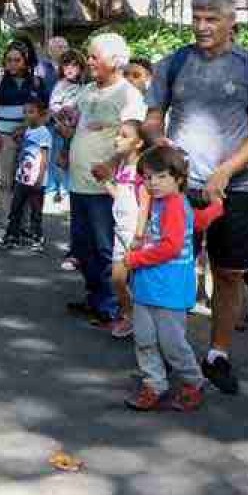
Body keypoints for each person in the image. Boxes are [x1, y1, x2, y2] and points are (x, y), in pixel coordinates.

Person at [145, 0, 248, 394]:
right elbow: (153, 119)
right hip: (178, 190)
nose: (202, 26)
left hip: (233, 189)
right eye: (197, 18)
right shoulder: (173, 63)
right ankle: (173, 352)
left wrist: (227, 170)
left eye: (211, 19)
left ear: (230, 22)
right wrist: (159, 141)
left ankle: (218, 353)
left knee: (228, 273)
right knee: (170, 269)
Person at [120, 143, 223, 412]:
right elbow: (197, 221)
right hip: (149, 286)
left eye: (161, 176)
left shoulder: (174, 204)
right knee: (145, 339)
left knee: (171, 343)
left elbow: (171, 247)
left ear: (178, 179)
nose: (152, 183)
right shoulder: (168, 201)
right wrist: (215, 208)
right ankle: (154, 384)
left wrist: (134, 259)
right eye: (148, 177)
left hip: (168, 288)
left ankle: (192, 382)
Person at [67, 34, 146, 328]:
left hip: (106, 187)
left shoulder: (129, 95)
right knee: (83, 245)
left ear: (114, 62)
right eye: (88, 57)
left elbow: (135, 137)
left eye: (93, 57)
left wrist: (112, 165)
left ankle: (113, 305)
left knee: (104, 246)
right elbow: (81, 123)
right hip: (78, 182)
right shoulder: (87, 90)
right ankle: (95, 297)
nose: (88, 62)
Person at [0, 40, 48, 219]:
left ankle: (24, 224)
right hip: (3, 138)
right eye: (9, 60)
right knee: (4, 181)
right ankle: (6, 223)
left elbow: (46, 112)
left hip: (29, 139)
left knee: (27, 181)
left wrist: (28, 128)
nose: (12, 64)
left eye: (17, 60)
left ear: (25, 61)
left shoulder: (37, 83)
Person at [106, 119, 147, 336]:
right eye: (117, 134)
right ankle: (131, 315)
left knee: (139, 281)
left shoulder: (142, 169)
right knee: (118, 279)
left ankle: (142, 322)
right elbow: (121, 197)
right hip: (119, 229)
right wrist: (106, 183)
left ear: (138, 143)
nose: (117, 139)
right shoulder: (122, 166)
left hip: (134, 233)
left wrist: (139, 235)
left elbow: (144, 205)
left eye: (124, 135)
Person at [0, 98, 52, 251]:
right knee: (16, 208)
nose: (27, 115)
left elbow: (44, 156)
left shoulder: (44, 133)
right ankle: (12, 235)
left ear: (40, 114)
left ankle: (37, 237)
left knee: (35, 210)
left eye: (31, 112)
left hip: (36, 180)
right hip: (22, 177)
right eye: (25, 112)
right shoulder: (28, 130)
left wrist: (40, 178)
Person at [47, 47, 88, 204]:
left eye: (74, 66)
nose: (70, 70)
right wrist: (62, 112)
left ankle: (71, 188)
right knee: (59, 157)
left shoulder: (85, 86)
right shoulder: (60, 85)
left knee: (74, 159)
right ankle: (58, 189)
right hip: (61, 128)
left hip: (78, 129)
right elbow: (53, 106)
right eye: (66, 66)